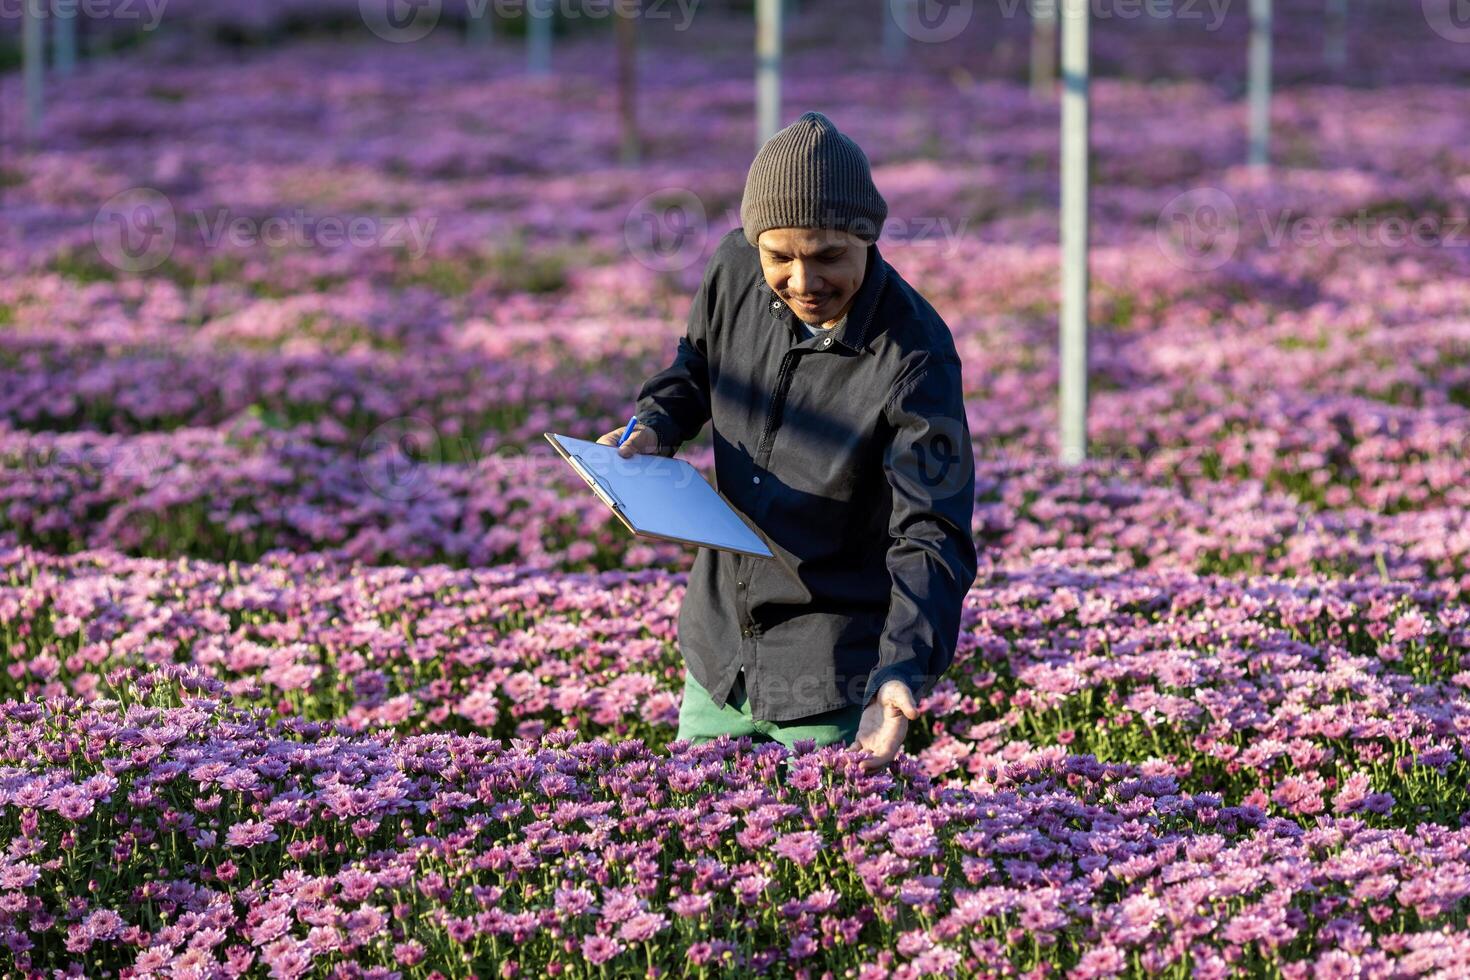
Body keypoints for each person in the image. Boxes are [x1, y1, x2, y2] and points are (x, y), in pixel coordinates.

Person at [597, 110, 977, 773]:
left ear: (867, 238)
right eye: (780, 257)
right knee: (694, 847)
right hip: (721, 653)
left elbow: (933, 531)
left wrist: (901, 669)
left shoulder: (915, 355)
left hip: (828, 673)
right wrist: (655, 425)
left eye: (829, 255)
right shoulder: (732, 271)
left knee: (805, 853)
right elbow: (694, 368)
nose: (805, 282)